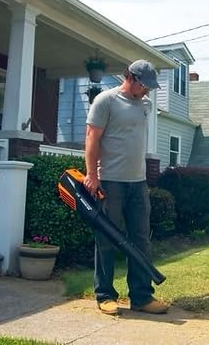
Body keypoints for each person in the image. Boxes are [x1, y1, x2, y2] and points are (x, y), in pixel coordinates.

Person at [83, 59, 169, 316]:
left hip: (138, 182)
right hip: (110, 180)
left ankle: (142, 297)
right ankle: (105, 295)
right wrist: (91, 174)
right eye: (146, 85)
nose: (149, 91)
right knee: (108, 238)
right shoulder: (105, 101)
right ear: (131, 78)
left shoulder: (146, 104)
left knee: (141, 239)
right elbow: (91, 138)